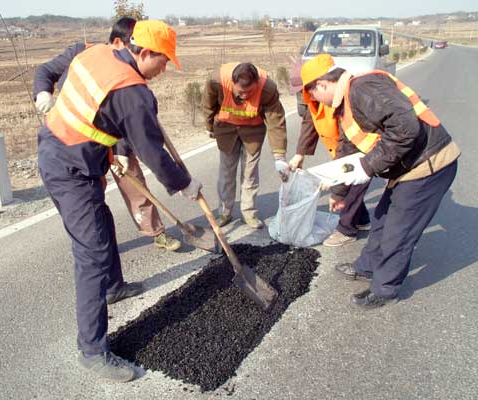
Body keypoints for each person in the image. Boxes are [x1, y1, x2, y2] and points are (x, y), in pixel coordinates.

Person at [37, 20, 202, 381]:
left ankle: (113, 288)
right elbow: (153, 154)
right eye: (163, 61)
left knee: (103, 221)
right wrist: (184, 183)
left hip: (66, 153)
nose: (164, 70)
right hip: (70, 168)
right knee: (92, 253)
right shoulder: (133, 92)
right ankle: (92, 351)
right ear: (146, 52)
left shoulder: (96, 52)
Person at [301, 54, 460, 309]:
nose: (318, 104)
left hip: (429, 165)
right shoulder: (347, 105)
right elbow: (346, 152)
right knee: (382, 218)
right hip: (407, 168)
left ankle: (385, 289)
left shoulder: (364, 88)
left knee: (398, 232)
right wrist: (339, 194)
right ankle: (367, 267)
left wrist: (368, 166)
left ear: (322, 84)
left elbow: (407, 128)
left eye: (314, 97)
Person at [34, 17, 181, 252]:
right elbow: (46, 71)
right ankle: (94, 237)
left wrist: (122, 151)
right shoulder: (84, 52)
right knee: (89, 196)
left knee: (135, 184)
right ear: (117, 42)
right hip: (78, 141)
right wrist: (43, 92)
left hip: (118, 137)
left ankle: (155, 231)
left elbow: (129, 119)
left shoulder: (129, 74)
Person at [288, 59, 371, 247]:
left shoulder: (341, 98)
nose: (305, 95)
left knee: (352, 186)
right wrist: (300, 153)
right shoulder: (315, 100)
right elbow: (309, 123)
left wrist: (337, 189)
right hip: (340, 151)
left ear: (320, 83)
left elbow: (349, 144)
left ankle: (346, 230)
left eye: (306, 90)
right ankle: (363, 219)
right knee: (349, 186)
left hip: (357, 149)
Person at [201, 62, 288, 229]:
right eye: (240, 92)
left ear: (256, 83)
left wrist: (279, 156)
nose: (245, 96)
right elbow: (208, 104)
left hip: (253, 131)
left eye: (249, 92)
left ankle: (249, 213)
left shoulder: (267, 88)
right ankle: (224, 212)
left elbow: (276, 121)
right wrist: (209, 126)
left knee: (250, 173)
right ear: (232, 83)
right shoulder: (217, 81)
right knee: (226, 172)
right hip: (226, 128)